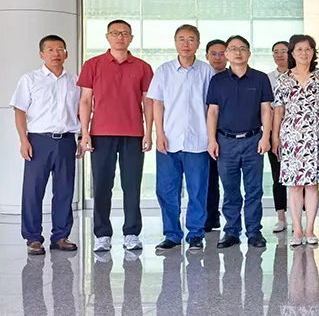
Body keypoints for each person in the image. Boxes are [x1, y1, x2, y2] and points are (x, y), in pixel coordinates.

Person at [78, 19, 154, 253]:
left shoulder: (142, 67)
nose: (120, 37)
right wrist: (85, 133)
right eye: (115, 33)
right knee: (102, 186)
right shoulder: (93, 64)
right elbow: (85, 100)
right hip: (101, 133)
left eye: (124, 33)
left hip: (133, 133)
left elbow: (148, 102)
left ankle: (131, 233)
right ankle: (102, 234)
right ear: (107, 37)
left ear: (131, 38)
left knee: (132, 185)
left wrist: (148, 132)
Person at [11, 35, 82, 256]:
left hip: (67, 141)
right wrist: (24, 140)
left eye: (60, 49)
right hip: (38, 141)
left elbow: (82, 111)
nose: (55, 54)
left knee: (64, 190)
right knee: (33, 191)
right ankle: (33, 238)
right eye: (50, 50)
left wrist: (82, 138)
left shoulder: (75, 81)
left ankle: (60, 236)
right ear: (42, 54)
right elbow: (20, 111)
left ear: (66, 54)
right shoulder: (30, 79)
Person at [148, 24, 215, 252]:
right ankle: (172, 234)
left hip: (198, 140)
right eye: (181, 39)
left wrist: (211, 138)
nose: (186, 44)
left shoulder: (206, 71)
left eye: (191, 39)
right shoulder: (164, 71)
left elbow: (212, 107)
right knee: (167, 190)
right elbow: (157, 104)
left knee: (197, 191)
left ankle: (195, 234)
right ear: (175, 42)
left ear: (198, 44)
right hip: (169, 140)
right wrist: (159, 133)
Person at [207, 35, 274, 249]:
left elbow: (266, 110)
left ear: (249, 53)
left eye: (242, 48)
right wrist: (212, 140)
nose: (238, 52)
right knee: (230, 189)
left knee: (254, 189)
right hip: (225, 142)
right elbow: (212, 112)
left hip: (253, 140)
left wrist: (265, 137)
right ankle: (231, 231)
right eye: (233, 49)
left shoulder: (260, 79)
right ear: (227, 54)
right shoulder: (217, 80)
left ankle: (254, 232)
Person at [275, 34, 319, 247]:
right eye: (299, 49)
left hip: (315, 136)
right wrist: (274, 137)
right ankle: (297, 229)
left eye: (308, 49)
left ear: (313, 52)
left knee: (312, 185)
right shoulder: (284, 79)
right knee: (295, 186)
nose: (304, 53)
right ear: (292, 53)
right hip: (291, 137)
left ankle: (310, 229)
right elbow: (278, 110)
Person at [203, 39, 228, 232]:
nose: (218, 58)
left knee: (229, 179)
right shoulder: (202, 76)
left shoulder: (232, 77)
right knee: (209, 179)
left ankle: (233, 222)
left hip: (229, 135)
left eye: (222, 53)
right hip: (205, 135)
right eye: (213, 53)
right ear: (206, 56)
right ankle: (211, 218)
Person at [266, 41, 290, 233]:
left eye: (284, 51)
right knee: (278, 175)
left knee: (301, 178)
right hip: (274, 132)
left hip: (299, 133)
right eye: (276, 52)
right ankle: (281, 217)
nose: (280, 55)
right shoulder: (267, 79)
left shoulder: (298, 75)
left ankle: (302, 217)